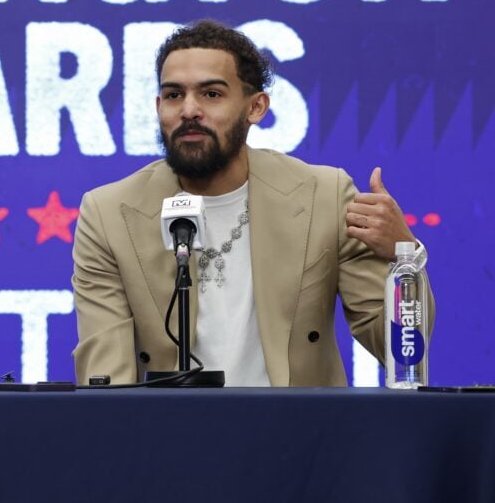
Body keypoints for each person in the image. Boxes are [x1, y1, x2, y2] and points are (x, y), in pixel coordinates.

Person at [71, 20, 434, 386]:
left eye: (211, 94)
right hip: (172, 436)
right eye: (174, 95)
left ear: (256, 107)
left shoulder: (324, 195)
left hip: (300, 434)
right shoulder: (109, 215)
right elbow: (106, 377)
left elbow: (396, 346)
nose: (189, 110)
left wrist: (404, 256)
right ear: (158, 106)